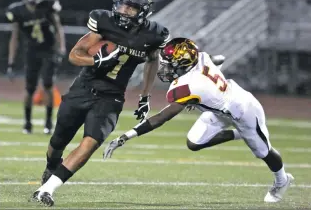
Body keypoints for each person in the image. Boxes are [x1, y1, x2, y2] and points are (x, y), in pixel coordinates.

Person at [103, 37, 294, 203]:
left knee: (264, 152)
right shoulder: (200, 58)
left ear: (183, 64)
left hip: (244, 111)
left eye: (169, 64)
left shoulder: (188, 87)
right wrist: (201, 95)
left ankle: (281, 180)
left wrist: (126, 136)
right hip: (221, 108)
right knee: (194, 143)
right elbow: (217, 60)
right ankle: (239, 134)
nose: (165, 68)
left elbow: (161, 118)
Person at [31, 0, 170, 206]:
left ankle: (47, 189)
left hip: (112, 96)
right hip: (83, 87)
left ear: (143, 10)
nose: (123, 11)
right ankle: (50, 167)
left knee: (92, 141)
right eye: (121, 6)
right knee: (58, 140)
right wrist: (97, 60)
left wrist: (145, 96)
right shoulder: (103, 22)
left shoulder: (154, 34)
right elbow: (75, 55)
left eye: (131, 7)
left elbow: (152, 61)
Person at [5, 0, 66, 135]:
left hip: (48, 50)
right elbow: (14, 37)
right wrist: (10, 62)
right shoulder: (17, 11)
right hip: (32, 51)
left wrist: (61, 49)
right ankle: (27, 123)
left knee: (47, 84)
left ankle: (48, 123)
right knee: (30, 88)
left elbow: (58, 27)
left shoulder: (48, 5)